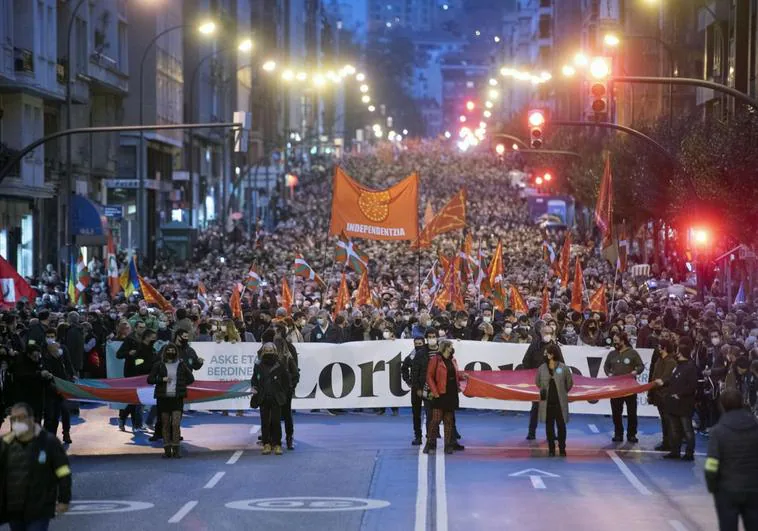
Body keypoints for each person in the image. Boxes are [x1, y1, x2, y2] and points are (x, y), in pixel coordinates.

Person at [0, 402, 72, 530]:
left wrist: (64, 499)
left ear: (31, 419)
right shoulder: (6, 445)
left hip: (39, 510)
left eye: (21, 418)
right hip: (14, 510)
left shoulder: (48, 442)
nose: (17, 422)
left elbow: (63, 472)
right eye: (14, 419)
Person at [704, 389, 758, 531]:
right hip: (754, 488)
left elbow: (711, 465)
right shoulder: (755, 427)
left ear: (722, 405)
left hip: (727, 489)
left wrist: (712, 486)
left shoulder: (718, 431)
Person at [147, 343, 195, 458]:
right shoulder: (158, 365)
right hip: (163, 399)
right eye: (169, 350)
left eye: (173, 350)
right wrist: (161, 379)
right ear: (165, 352)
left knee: (176, 424)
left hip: (177, 398)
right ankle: (167, 449)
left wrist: (181, 385)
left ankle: (176, 449)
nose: (171, 352)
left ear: (176, 352)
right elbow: (150, 379)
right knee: (165, 424)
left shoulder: (181, 365)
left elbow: (191, 379)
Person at [424, 339, 465, 455]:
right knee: (435, 419)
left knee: (448, 420)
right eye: (450, 346)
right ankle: (430, 443)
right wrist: (435, 392)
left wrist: (463, 376)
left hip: (451, 393)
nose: (452, 348)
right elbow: (429, 376)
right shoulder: (435, 360)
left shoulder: (453, 360)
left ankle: (448, 445)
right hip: (440, 393)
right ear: (445, 347)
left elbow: (454, 374)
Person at [659, 343, 698, 461]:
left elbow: (692, 386)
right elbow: (672, 380)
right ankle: (675, 451)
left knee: (687, 429)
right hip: (673, 403)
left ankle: (689, 453)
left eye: (678, 351)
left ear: (681, 352)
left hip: (684, 403)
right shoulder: (678, 366)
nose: (676, 353)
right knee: (674, 429)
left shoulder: (691, 367)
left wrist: (679, 394)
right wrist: (663, 383)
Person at [604, 332, 645, 443]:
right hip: (615, 388)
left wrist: (636, 371)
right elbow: (606, 366)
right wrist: (608, 373)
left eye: (617, 341)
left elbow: (641, 365)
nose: (615, 343)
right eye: (614, 341)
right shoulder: (612, 354)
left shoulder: (632, 353)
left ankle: (632, 434)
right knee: (616, 412)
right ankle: (618, 434)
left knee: (632, 412)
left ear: (623, 341)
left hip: (630, 388)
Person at [522, 322, 561, 440]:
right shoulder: (534, 345)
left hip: (551, 382)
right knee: (535, 408)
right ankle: (531, 432)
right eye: (546, 333)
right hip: (537, 382)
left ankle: (551, 434)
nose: (548, 335)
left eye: (550, 333)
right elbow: (525, 361)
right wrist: (531, 375)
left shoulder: (555, 347)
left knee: (551, 409)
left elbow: (561, 364)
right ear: (541, 333)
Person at [251, 342, 291, 456]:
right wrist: (254, 387)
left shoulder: (280, 364)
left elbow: (286, 381)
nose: (268, 352)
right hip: (263, 397)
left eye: (270, 350)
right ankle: (266, 444)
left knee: (276, 421)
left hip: (276, 398)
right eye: (266, 350)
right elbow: (254, 379)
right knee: (265, 422)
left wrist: (282, 393)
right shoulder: (258, 365)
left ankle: (277, 444)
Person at [536, 343, 573, 456]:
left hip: (559, 402)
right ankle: (551, 448)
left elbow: (569, 384)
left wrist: (562, 392)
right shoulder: (541, 368)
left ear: (553, 354)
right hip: (546, 403)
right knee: (549, 426)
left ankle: (562, 448)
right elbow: (537, 383)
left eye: (548, 352)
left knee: (561, 426)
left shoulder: (564, 368)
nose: (546, 354)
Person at [41, 330, 74, 444]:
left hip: (63, 383)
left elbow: (68, 363)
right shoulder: (43, 350)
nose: (50, 338)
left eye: (52, 336)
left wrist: (73, 375)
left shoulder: (63, 349)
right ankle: (51, 437)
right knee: (51, 413)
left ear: (56, 337)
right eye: (48, 336)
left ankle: (66, 432)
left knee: (65, 410)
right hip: (49, 384)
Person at [648, 339, 677, 451]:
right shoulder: (660, 360)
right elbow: (654, 376)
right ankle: (666, 441)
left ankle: (669, 442)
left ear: (664, 347)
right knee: (664, 419)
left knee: (668, 420)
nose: (658, 348)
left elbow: (665, 378)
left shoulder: (670, 362)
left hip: (665, 395)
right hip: (658, 394)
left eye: (660, 346)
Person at [402, 335, 429, 445]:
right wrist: (408, 381)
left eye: (420, 344)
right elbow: (404, 368)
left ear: (424, 343)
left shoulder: (428, 354)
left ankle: (431, 434)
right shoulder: (411, 356)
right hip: (415, 388)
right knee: (416, 413)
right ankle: (418, 436)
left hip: (428, 387)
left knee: (430, 411)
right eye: (416, 344)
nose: (418, 346)